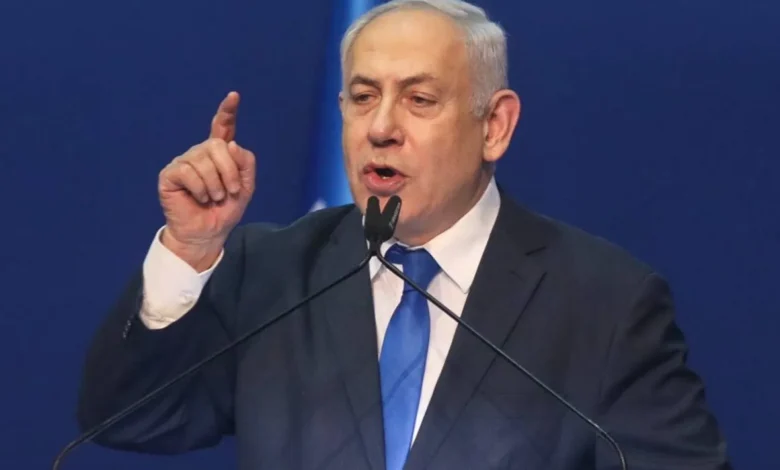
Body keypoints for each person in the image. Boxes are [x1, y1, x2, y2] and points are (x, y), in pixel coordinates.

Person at [76, 1, 732, 469]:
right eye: (363, 98)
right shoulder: (272, 271)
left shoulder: (605, 303)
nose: (381, 128)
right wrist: (189, 251)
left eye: (419, 100)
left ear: (494, 126)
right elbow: (128, 420)